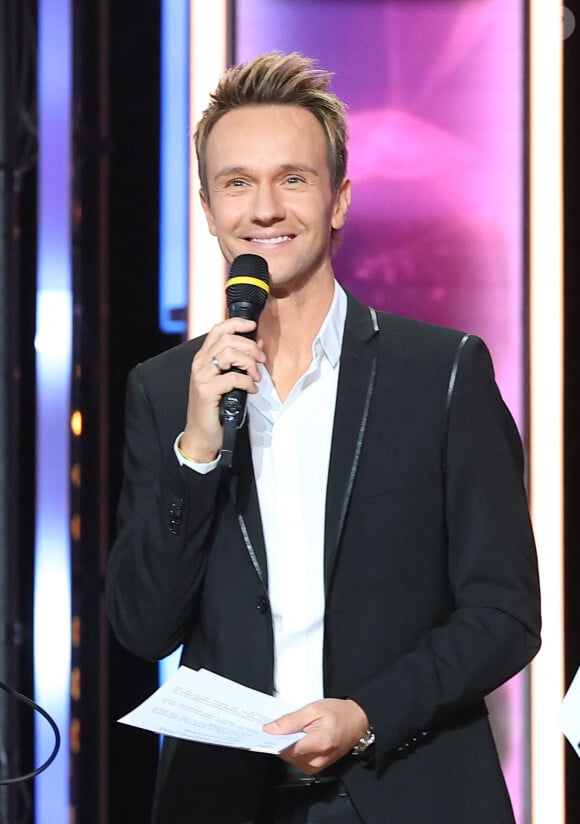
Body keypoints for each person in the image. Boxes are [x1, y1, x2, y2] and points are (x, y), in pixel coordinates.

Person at [105, 52, 541, 824]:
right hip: (226, 799)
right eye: (237, 183)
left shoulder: (440, 373)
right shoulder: (165, 390)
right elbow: (144, 624)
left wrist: (365, 714)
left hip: (408, 787)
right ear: (208, 209)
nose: (264, 208)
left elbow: (504, 613)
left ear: (338, 201)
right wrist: (196, 451)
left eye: (293, 179)